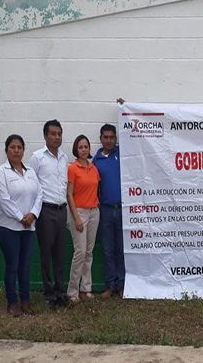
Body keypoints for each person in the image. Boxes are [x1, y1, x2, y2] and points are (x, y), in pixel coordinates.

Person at [0, 134, 43, 316]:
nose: (16, 150)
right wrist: (21, 217)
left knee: (25, 265)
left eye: (19, 147)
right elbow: (4, 200)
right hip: (8, 228)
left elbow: (39, 194)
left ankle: (25, 301)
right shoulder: (1, 173)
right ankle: (12, 302)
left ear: (23, 150)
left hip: (29, 228)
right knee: (12, 264)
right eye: (12, 147)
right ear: (6, 150)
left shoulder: (30, 171)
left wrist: (33, 215)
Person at [29, 119, 69, 307]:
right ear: (45, 136)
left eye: (59, 134)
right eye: (53, 134)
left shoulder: (64, 157)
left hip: (62, 210)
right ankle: (49, 293)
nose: (56, 137)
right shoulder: (37, 157)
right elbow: (33, 185)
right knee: (46, 253)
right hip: (46, 210)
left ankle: (61, 292)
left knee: (60, 254)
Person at [66, 135, 101, 303]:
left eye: (86, 146)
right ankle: (72, 292)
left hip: (94, 212)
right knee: (79, 252)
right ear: (76, 149)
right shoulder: (73, 168)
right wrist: (76, 217)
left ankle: (85, 288)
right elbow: (69, 194)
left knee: (89, 252)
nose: (84, 149)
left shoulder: (93, 168)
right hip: (78, 212)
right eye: (80, 147)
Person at [93, 123, 125, 298]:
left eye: (112, 137)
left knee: (121, 249)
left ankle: (121, 284)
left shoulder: (123, 153)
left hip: (122, 209)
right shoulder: (96, 161)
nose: (109, 140)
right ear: (100, 139)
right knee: (107, 250)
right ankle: (110, 285)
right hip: (104, 210)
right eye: (105, 137)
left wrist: (125, 108)